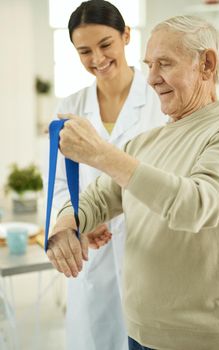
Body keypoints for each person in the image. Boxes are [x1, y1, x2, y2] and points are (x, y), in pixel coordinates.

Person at [47, 15, 219, 350]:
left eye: (164, 64)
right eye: (149, 65)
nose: (151, 78)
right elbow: (97, 199)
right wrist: (66, 223)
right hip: (139, 331)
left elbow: (195, 206)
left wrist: (102, 154)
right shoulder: (144, 142)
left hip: (197, 339)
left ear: (206, 64)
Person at [46, 1, 165, 350]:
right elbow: (58, 185)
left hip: (148, 247)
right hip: (92, 254)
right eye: (84, 51)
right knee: (95, 338)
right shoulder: (69, 108)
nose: (96, 58)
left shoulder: (160, 101)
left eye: (105, 44)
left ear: (126, 36)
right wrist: (77, 220)